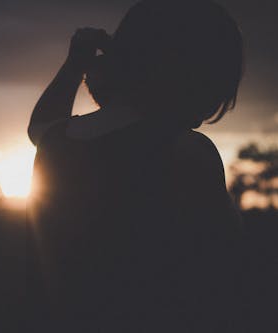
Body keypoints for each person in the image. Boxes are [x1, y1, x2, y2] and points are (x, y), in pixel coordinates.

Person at [26, 0, 244, 331]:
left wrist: (75, 65)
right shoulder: (188, 151)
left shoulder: (58, 142)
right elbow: (220, 268)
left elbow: (40, 126)